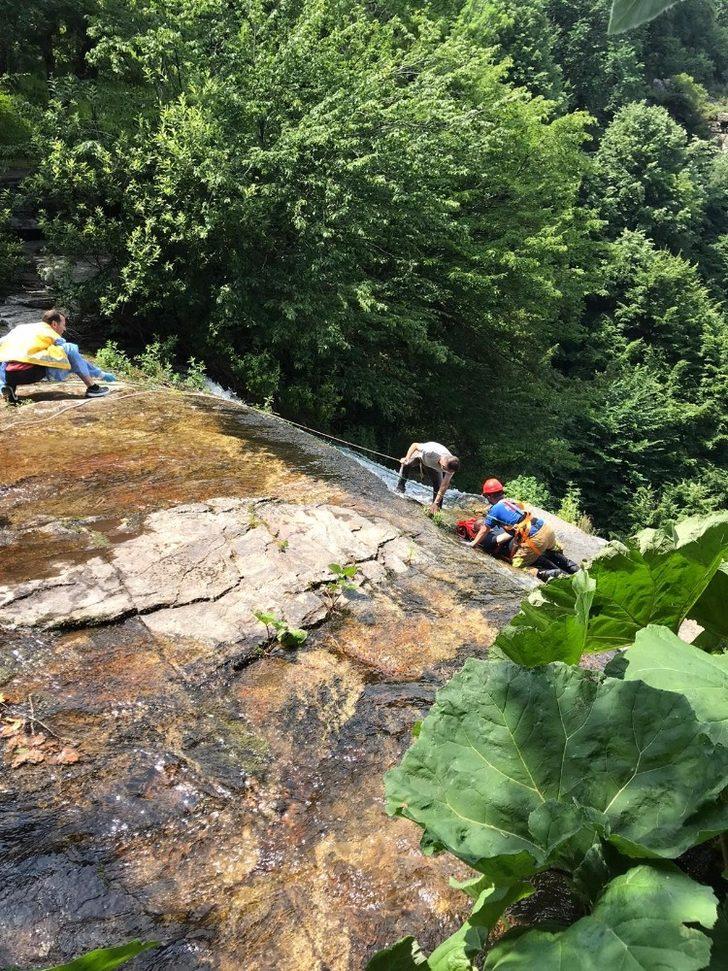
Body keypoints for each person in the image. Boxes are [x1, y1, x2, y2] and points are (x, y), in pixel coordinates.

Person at [467, 477, 578, 577]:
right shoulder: (511, 501)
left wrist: (473, 544)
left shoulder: (494, 510)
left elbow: (484, 530)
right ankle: (577, 570)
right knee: (553, 552)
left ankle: (556, 575)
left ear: (489, 496)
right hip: (546, 529)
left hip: (535, 538)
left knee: (517, 567)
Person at [0, 309, 115, 405]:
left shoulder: (21, 329)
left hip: (6, 375)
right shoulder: (51, 334)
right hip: (29, 373)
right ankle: (93, 388)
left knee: (9, 355)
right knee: (70, 348)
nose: (64, 329)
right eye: (63, 325)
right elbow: (75, 357)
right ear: (54, 324)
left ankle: (9, 388)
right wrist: (100, 374)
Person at [397, 441, 460, 513]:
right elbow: (414, 445)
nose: (446, 472)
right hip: (420, 457)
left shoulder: (451, 467)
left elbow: (444, 486)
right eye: (445, 469)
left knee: (438, 487)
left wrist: (436, 503)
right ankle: (400, 487)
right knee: (406, 464)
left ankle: (436, 510)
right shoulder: (431, 451)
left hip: (432, 467)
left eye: (448, 471)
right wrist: (407, 458)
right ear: (444, 463)